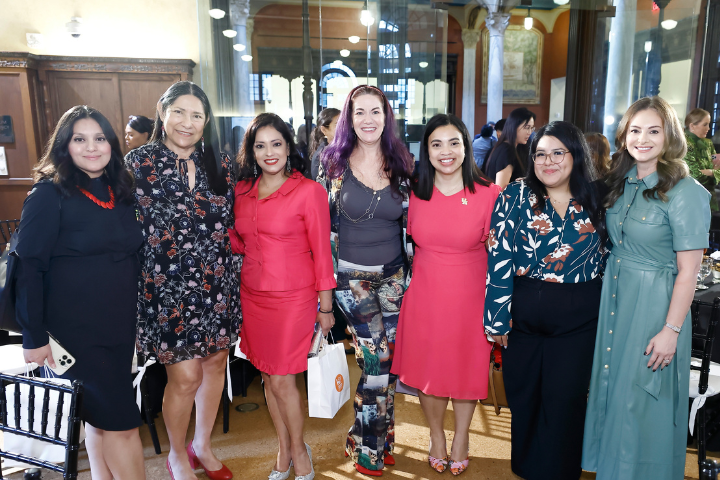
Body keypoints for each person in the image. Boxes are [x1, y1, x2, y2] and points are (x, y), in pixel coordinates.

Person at [582, 97, 711, 479]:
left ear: (669, 136)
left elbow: (689, 272)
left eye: (653, 130)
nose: (643, 138)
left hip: (655, 307)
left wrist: (670, 331)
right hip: (616, 302)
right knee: (613, 395)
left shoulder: (686, 192)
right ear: (624, 136)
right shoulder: (622, 183)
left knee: (641, 405)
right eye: (635, 130)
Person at [16, 105, 146, 480]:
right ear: (65, 145)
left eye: (100, 138)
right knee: (122, 422)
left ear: (112, 144)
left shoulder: (118, 189)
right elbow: (29, 266)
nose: (92, 147)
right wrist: (33, 334)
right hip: (74, 333)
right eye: (80, 139)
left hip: (118, 326)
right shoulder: (49, 193)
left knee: (98, 416)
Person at [125, 81, 239, 480]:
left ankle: (202, 445)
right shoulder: (137, 163)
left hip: (217, 284)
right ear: (162, 111)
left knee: (216, 363)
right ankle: (177, 453)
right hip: (164, 287)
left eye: (196, 115)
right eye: (179, 112)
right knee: (185, 375)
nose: (186, 123)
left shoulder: (222, 164)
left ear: (206, 121)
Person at [484, 121, 608, 480]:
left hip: (579, 318)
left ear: (575, 155)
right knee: (523, 398)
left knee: (565, 400)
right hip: (522, 315)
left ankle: (560, 471)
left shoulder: (598, 197)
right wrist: (496, 319)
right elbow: (499, 256)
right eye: (540, 154)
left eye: (558, 153)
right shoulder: (514, 194)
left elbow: (612, 253)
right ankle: (526, 469)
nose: (548, 161)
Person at [392, 114, 500, 476]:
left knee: (467, 368)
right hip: (425, 294)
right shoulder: (414, 192)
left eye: (454, 142)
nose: (446, 152)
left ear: (467, 146)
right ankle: (437, 436)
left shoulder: (488, 193)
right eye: (436, 144)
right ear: (426, 151)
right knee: (429, 369)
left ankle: (462, 437)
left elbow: (501, 254)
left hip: (471, 295)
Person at [229, 113, 335, 480]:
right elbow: (238, 240)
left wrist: (326, 306)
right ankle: (283, 445)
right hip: (253, 297)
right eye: (260, 146)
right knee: (267, 378)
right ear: (251, 151)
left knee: (282, 379)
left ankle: (297, 449)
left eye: (276, 144)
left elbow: (323, 253)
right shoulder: (241, 191)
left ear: (289, 147)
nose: (269, 152)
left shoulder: (309, 191)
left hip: (294, 298)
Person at [317, 84, 414, 477]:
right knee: (377, 363)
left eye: (376, 112)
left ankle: (374, 434)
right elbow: (320, 230)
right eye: (359, 112)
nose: (368, 120)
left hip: (394, 278)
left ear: (386, 116)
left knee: (389, 365)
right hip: (350, 281)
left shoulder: (402, 163)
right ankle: (370, 450)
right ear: (348, 118)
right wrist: (322, 292)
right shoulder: (332, 164)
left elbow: (413, 224)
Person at [483, 109, 535, 189]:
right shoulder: (507, 150)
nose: (530, 132)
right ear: (513, 127)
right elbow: (501, 191)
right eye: (527, 127)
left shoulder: (515, 148)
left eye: (532, 128)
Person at [683, 108, 720, 211]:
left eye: (708, 124)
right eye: (705, 124)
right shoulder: (684, 144)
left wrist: (710, 172)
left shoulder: (708, 143)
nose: (708, 128)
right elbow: (694, 176)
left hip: (709, 198)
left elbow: (717, 173)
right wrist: (713, 171)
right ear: (692, 126)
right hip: (690, 198)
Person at [310, 108, 341, 180]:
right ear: (324, 130)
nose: (343, 128)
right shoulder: (321, 156)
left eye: (344, 123)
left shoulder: (345, 148)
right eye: (337, 124)